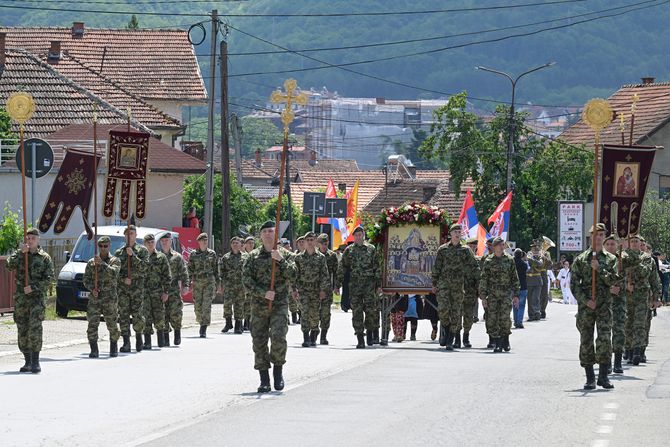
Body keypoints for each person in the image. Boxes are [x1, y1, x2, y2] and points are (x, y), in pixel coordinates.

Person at [242, 220, 296, 393]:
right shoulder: (252, 256)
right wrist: (262, 292)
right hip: (259, 304)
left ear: (276, 235)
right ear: (260, 236)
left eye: (270, 231)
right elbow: (246, 280)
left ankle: (278, 373)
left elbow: (294, 274)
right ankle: (264, 378)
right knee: (259, 341)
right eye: (264, 231)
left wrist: (280, 260)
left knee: (279, 336)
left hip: (279, 303)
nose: (267, 234)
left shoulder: (284, 255)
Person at [571, 223, 617, 390]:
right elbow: (574, 285)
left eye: (601, 235)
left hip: (604, 304)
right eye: (595, 234)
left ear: (604, 237)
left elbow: (613, 281)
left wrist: (599, 268)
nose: (598, 237)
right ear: (591, 236)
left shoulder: (611, 259)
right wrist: (585, 301)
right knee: (586, 340)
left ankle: (603, 376)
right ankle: (590, 377)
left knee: (604, 339)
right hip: (587, 306)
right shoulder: (581, 259)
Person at [7, 228, 55, 373]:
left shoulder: (44, 257)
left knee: (34, 329)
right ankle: (27, 361)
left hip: (36, 300)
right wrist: (20, 253)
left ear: (38, 239)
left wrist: (33, 287)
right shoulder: (21, 254)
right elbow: (9, 266)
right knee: (22, 330)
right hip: (21, 299)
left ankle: (35, 361)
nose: (30, 241)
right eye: (28, 238)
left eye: (33, 238)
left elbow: (49, 279)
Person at [431, 223, 478, 351]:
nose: (457, 234)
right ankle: (446, 330)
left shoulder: (466, 250)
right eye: (455, 232)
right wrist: (434, 283)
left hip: (458, 286)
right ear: (450, 234)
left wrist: (478, 283)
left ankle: (450, 340)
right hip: (444, 285)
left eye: (459, 232)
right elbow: (437, 267)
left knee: (456, 313)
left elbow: (474, 267)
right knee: (443, 310)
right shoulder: (443, 249)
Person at [336, 227, 381, 348]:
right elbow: (342, 268)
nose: (358, 237)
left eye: (360, 235)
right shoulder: (349, 250)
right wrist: (338, 284)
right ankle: (360, 338)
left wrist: (378, 285)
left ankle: (370, 333)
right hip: (355, 286)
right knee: (357, 312)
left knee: (371, 311)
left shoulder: (371, 249)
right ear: (354, 237)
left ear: (364, 235)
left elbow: (376, 267)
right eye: (356, 235)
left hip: (369, 285)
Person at [82, 236, 120, 358]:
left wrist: (102, 264)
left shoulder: (115, 260)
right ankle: (94, 349)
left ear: (109, 246)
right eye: (101, 246)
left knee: (112, 324)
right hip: (95, 298)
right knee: (92, 323)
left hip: (109, 298)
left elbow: (114, 273)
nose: (103, 248)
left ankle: (113, 347)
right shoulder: (91, 262)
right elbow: (86, 279)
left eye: (105, 246)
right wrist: (92, 289)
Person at [480, 237, 520, 353]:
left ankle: (505, 340)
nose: (502, 247)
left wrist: (516, 295)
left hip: (505, 294)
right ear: (494, 247)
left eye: (503, 245)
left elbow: (514, 278)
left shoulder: (509, 260)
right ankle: (497, 343)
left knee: (505, 318)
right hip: (492, 294)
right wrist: (483, 296)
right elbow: (484, 279)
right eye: (499, 245)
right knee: (492, 319)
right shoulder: (488, 261)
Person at [115, 225, 149, 353]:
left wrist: (133, 255)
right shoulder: (119, 253)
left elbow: (145, 268)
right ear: (124, 235)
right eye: (127, 234)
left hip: (137, 289)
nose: (130, 236)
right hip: (123, 290)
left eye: (132, 234)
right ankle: (126, 342)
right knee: (123, 315)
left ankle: (139, 337)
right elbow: (115, 272)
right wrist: (123, 279)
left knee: (137, 315)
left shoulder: (142, 251)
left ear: (136, 235)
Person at [293, 232, 330, 347]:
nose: (309, 242)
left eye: (312, 240)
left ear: (315, 242)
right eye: (307, 240)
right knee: (304, 312)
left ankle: (314, 333)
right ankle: (306, 337)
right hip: (303, 290)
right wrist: (294, 289)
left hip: (315, 290)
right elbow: (294, 275)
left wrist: (323, 290)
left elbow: (324, 275)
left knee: (314, 314)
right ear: (304, 242)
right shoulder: (298, 258)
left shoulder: (321, 258)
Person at [159, 232, 189, 346]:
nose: (164, 243)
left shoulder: (177, 257)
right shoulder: (158, 257)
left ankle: (177, 333)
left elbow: (184, 272)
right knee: (163, 314)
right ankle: (165, 337)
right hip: (161, 290)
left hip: (174, 290)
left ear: (171, 241)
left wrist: (185, 285)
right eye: (162, 241)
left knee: (175, 313)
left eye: (166, 241)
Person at [142, 233, 171, 349]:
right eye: (148, 242)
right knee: (146, 317)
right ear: (144, 244)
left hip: (157, 292)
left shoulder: (161, 257)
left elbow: (167, 276)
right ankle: (147, 342)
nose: (151, 244)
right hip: (144, 293)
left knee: (159, 317)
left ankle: (161, 340)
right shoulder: (141, 257)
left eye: (152, 242)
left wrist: (166, 292)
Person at [187, 233, 219, 338]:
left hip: (209, 283)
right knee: (197, 307)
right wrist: (188, 283)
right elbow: (190, 270)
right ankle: (201, 321)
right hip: (197, 284)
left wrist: (217, 284)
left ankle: (203, 327)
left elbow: (215, 270)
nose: (205, 242)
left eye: (206, 240)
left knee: (206, 305)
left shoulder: (212, 254)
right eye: (202, 241)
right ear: (199, 242)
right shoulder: (193, 254)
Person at [603, 234, 626, 374]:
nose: (611, 247)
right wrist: (609, 288)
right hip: (605, 301)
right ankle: (607, 362)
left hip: (619, 301)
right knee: (605, 333)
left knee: (619, 332)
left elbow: (638, 260)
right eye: (608, 244)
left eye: (613, 244)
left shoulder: (623, 260)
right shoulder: (601, 259)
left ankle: (618, 362)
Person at [219, 237, 247, 335]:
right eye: (233, 243)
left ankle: (238, 326)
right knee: (227, 305)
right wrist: (220, 285)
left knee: (239, 305)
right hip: (228, 285)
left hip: (241, 286)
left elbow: (249, 272)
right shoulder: (225, 257)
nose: (235, 244)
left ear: (241, 245)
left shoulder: (246, 257)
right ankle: (228, 323)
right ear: (231, 245)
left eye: (237, 243)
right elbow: (221, 272)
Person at [317, 233, 339, 345]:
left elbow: (336, 272)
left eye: (326, 244)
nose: (324, 246)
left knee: (325, 313)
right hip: (314, 289)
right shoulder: (314, 255)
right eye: (322, 244)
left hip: (327, 288)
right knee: (314, 312)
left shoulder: (332, 256)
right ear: (318, 244)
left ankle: (323, 336)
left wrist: (336, 286)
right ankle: (313, 334)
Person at [462, 237, 481, 347]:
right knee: (456, 315)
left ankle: (466, 336)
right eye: (471, 246)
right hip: (458, 291)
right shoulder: (460, 259)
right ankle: (456, 338)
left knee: (469, 316)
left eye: (474, 246)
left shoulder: (478, 260)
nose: (472, 248)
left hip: (471, 292)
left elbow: (480, 276)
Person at [526, 241, 544, 321]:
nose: (535, 251)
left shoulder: (540, 258)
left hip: (537, 281)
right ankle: (531, 315)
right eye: (534, 250)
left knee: (536, 298)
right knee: (529, 299)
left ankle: (537, 314)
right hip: (529, 281)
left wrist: (530, 259)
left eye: (536, 250)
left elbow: (540, 264)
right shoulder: (529, 258)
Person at [243, 236, 256, 330]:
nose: (251, 245)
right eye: (249, 243)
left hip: (254, 283)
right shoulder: (242, 255)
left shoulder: (257, 256)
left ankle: (250, 322)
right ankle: (245, 321)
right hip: (242, 284)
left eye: (252, 243)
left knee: (252, 303)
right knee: (244, 303)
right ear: (245, 245)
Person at [513, 248, 528, 329]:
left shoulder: (511, 262)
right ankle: (519, 321)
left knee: (515, 304)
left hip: (514, 286)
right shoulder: (524, 264)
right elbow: (527, 270)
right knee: (521, 305)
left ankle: (515, 321)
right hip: (523, 286)